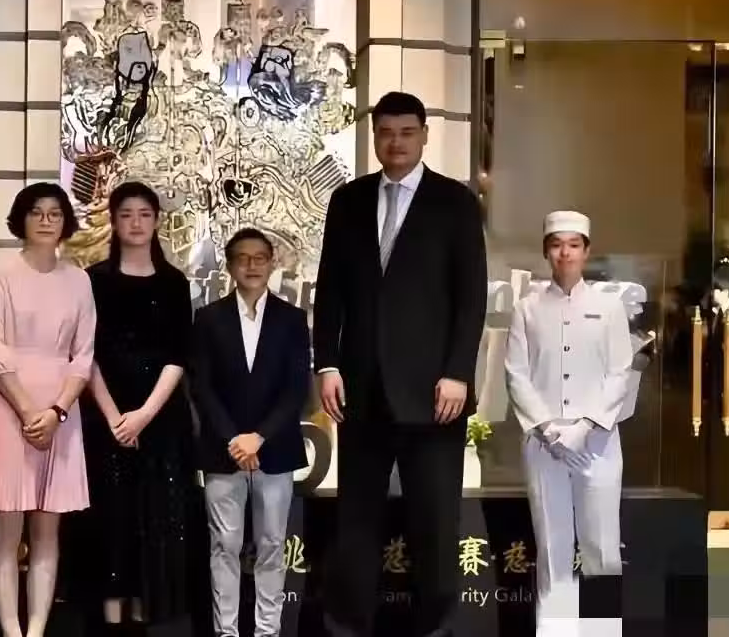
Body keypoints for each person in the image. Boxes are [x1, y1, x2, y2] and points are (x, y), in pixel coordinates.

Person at [313, 91, 488, 637]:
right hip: (361, 392)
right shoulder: (348, 200)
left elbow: (471, 297)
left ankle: (436, 629)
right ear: (374, 137)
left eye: (407, 132)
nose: (396, 143)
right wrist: (327, 363)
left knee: (434, 525)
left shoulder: (455, 202)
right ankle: (349, 627)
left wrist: (458, 372)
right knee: (355, 524)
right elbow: (330, 290)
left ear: (424, 136)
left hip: (435, 395)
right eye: (386, 132)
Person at [0, 182, 96, 637]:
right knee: (5, 531)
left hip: (60, 411)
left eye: (54, 213)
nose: (45, 220)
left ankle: (37, 629)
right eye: (36, 212)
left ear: (65, 222)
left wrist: (56, 412)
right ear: (21, 219)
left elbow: (83, 355)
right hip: (7, 409)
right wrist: (27, 412)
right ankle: (10, 630)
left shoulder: (79, 279)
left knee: (47, 532)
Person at [504, 211, 632, 636]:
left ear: (586, 251)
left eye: (574, 244)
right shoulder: (526, 309)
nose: (565, 253)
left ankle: (600, 632)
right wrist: (546, 428)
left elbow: (620, 373)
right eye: (557, 244)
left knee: (602, 549)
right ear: (547, 251)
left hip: (597, 443)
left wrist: (584, 426)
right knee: (553, 549)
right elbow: (516, 374)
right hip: (544, 446)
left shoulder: (609, 307)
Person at [83, 181, 196, 634]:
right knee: (113, 517)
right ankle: (112, 621)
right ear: (113, 222)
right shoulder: (93, 280)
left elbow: (178, 355)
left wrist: (145, 414)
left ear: (156, 221)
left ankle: (148, 617)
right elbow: (84, 355)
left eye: (145, 214)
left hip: (161, 419)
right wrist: (115, 418)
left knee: (157, 519)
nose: (136, 223)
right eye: (126, 214)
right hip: (105, 417)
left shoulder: (174, 282)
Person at [190, 228, 311, 637]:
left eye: (260, 257)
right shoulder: (208, 319)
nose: (252, 265)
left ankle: (266, 631)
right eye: (243, 258)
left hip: (275, 450)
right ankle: (226, 631)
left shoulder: (292, 319)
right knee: (223, 546)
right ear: (230, 265)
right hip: (222, 451)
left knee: (272, 544)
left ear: (272, 263)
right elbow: (202, 387)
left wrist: (258, 437)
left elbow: (296, 389)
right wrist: (234, 439)